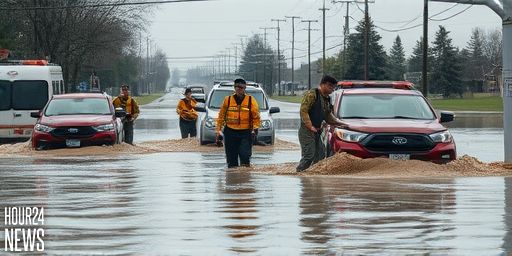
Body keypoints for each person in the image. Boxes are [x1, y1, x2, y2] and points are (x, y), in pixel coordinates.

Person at [296, 75, 346, 172]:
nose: (332, 89)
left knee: (320, 155)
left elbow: (328, 116)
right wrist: (310, 126)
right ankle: (300, 173)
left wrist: (339, 123)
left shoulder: (327, 98)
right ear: (322, 84)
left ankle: (312, 175)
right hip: (307, 131)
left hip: (317, 131)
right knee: (309, 155)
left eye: (333, 87)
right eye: (330, 86)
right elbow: (303, 111)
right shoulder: (312, 94)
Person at [216, 78, 261, 168]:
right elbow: (221, 117)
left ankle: (244, 178)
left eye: (240, 87)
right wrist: (218, 131)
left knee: (245, 156)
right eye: (236, 87)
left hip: (245, 133)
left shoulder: (250, 100)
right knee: (231, 160)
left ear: (244, 88)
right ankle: (233, 178)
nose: (238, 89)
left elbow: (256, 117)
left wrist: (255, 130)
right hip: (230, 132)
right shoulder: (227, 100)